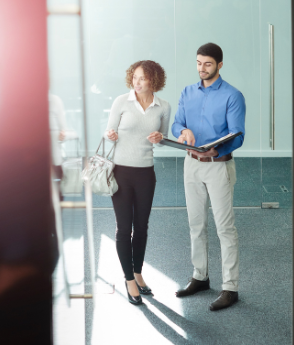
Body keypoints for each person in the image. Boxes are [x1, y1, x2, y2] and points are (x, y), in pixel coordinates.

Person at [172, 42, 246, 311]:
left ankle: (231, 287)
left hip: (218, 166)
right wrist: (183, 132)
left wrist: (218, 148)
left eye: (208, 64)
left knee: (225, 228)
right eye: (199, 63)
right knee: (196, 224)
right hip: (191, 164)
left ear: (219, 65)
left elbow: (238, 134)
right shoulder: (188, 92)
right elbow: (176, 122)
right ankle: (200, 277)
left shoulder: (232, 95)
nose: (202, 69)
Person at [105, 60, 171, 305]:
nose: (137, 82)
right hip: (121, 171)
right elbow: (109, 132)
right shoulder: (121, 102)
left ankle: (138, 272)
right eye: (135, 78)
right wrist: (111, 134)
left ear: (154, 80)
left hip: (146, 173)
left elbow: (162, 139)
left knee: (141, 227)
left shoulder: (163, 107)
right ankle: (128, 279)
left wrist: (160, 137)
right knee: (124, 228)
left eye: (142, 78)